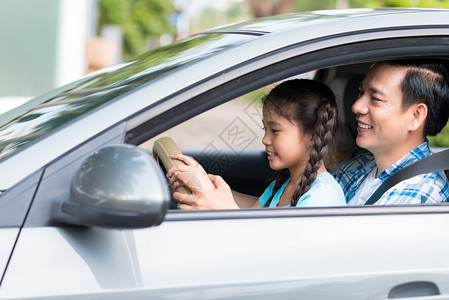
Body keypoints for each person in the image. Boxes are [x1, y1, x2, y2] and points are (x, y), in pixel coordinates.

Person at [166, 79, 346, 209]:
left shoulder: (321, 197)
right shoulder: (287, 184)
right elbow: (254, 212)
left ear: (313, 135)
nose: (265, 140)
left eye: (275, 131)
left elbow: (272, 254)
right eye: (265, 129)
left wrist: (223, 208)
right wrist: (205, 183)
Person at [333, 59, 449, 205]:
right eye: (360, 92)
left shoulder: (420, 196)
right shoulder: (359, 164)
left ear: (415, 116)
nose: (356, 106)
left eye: (375, 98)